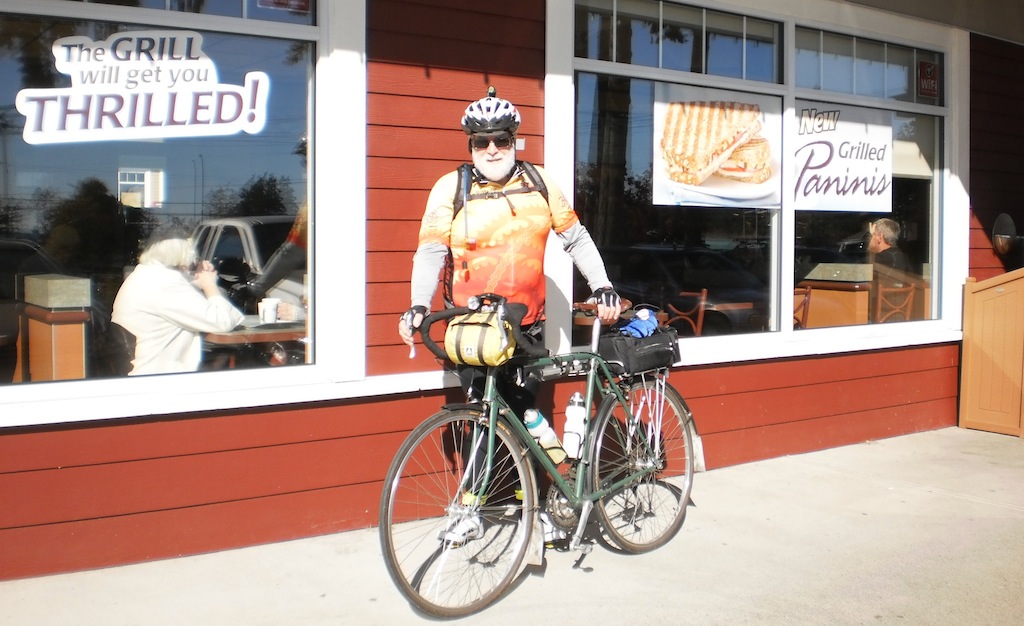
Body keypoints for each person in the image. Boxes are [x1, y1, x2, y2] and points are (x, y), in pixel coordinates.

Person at [397, 87, 622, 544]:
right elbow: (431, 251)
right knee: (485, 417)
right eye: (481, 142)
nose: (492, 149)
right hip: (472, 330)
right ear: (470, 145)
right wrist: (418, 304)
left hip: (527, 327)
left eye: (501, 139)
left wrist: (602, 285)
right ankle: (482, 506)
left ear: (514, 139)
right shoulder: (451, 188)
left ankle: (537, 503)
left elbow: (576, 239)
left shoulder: (541, 183)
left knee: (521, 416)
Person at [112, 232, 244, 375]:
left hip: (151, 371)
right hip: (162, 376)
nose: (193, 261)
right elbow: (223, 321)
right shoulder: (165, 284)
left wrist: (200, 280)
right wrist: (209, 284)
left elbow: (197, 304)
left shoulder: (146, 275)